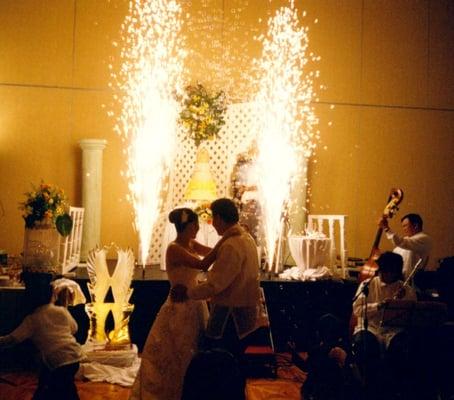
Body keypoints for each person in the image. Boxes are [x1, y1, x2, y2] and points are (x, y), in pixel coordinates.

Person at [129, 207, 236, 400]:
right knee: (177, 351)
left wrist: (229, 243)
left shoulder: (191, 244)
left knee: (195, 347)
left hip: (195, 302)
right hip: (179, 306)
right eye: (195, 224)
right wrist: (229, 236)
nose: (198, 228)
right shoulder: (174, 248)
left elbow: (213, 253)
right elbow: (204, 264)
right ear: (186, 226)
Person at [171, 198, 263, 357]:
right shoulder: (246, 238)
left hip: (230, 316)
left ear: (219, 218)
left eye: (213, 219)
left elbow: (215, 285)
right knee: (235, 361)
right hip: (245, 310)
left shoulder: (231, 244)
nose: (211, 224)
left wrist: (188, 293)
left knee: (222, 361)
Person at [352, 252, 417, 399]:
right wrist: (379, 306)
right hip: (370, 328)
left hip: (393, 331)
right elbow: (357, 309)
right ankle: (368, 388)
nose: (383, 274)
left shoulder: (405, 289)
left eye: (388, 272)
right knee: (365, 345)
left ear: (396, 272)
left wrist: (403, 300)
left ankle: (394, 390)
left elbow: (412, 313)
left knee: (403, 347)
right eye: (382, 270)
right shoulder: (367, 284)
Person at [0, 283, 83, 400]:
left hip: (55, 360)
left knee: (53, 388)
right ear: (51, 296)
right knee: (64, 386)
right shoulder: (61, 311)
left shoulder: (32, 319)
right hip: (74, 356)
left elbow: (13, 339)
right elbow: (74, 328)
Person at [379, 213, 432, 280]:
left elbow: (401, 242)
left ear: (415, 225)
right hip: (399, 281)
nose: (403, 229)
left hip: (412, 282)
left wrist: (386, 228)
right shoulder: (407, 240)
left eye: (405, 226)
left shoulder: (424, 239)